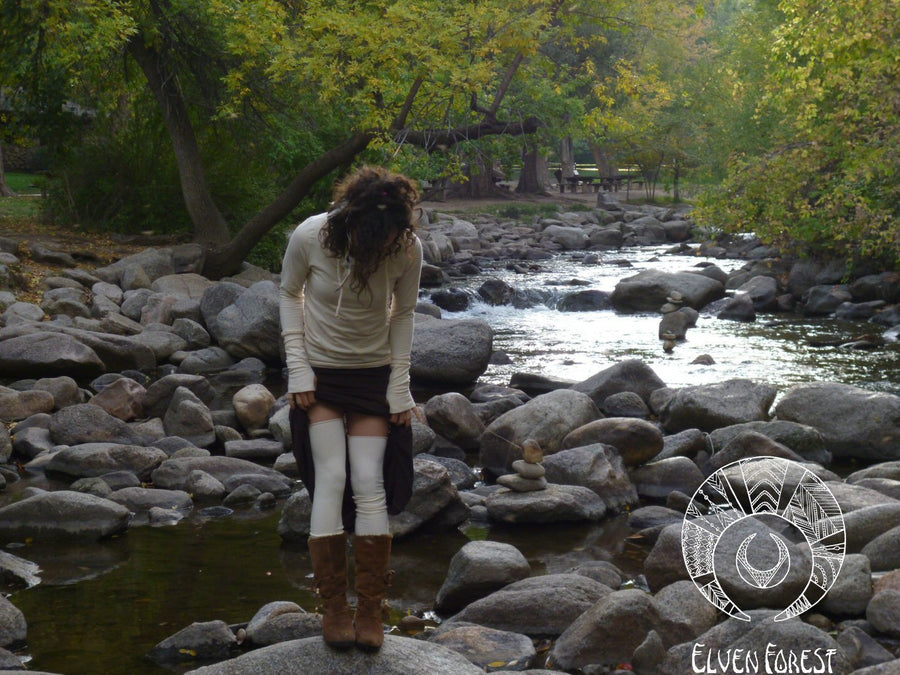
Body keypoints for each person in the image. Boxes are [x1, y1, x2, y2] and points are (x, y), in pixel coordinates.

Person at [279, 165, 423, 651]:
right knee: (332, 477)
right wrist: (298, 370)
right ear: (350, 223)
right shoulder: (311, 235)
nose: (380, 247)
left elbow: (403, 316)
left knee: (368, 482)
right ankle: (334, 608)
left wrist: (399, 388)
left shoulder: (406, 247)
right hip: (318, 379)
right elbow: (287, 295)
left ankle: (370, 609)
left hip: (373, 378)